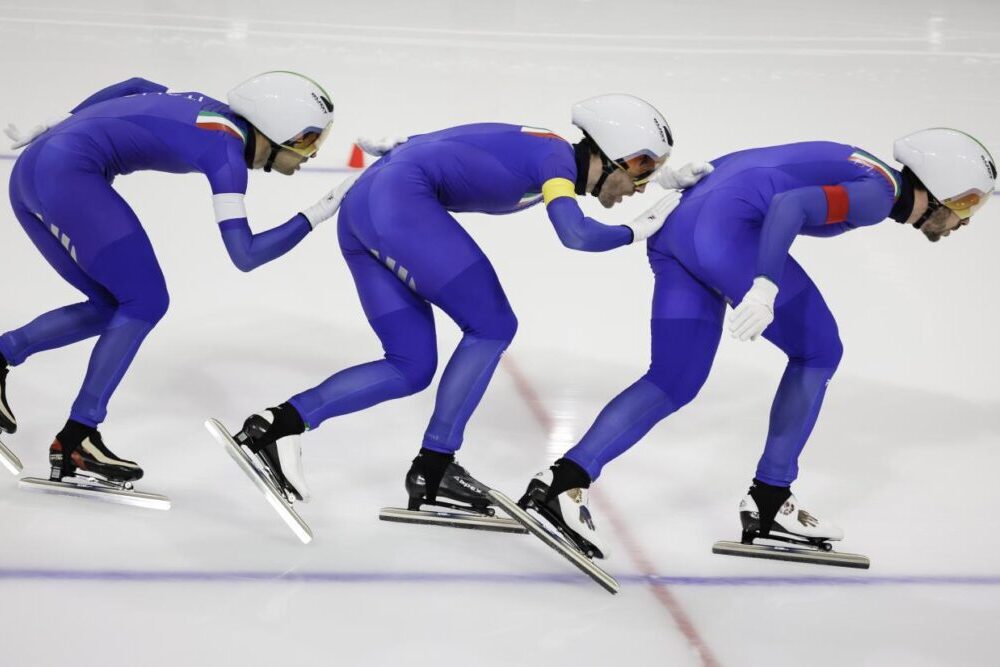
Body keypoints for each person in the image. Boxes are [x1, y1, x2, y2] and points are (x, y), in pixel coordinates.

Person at [514, 129, 996, 558]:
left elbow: (752, 165)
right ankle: (770, 499)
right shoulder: (876, 193)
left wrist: (676, 184)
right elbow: (789, 206)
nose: (967, 219)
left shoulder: (863, 165)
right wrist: (764, 284)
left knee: (672, 379)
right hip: (724, 236)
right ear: (940, 187)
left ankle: (562, 482)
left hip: (678, 232)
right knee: (819, 352)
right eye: (968, 202)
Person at [226, 94, 712, 517]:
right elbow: (576, 234)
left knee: (410, 366)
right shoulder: (556, 162)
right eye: (641, 169)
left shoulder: (546, 147)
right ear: (608, 155)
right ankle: (434, 467)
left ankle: (277, 426)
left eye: (650, 173)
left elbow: (464, 139)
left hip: (363, 211)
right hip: (397, 204)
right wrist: (639, 229)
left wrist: (666, 179)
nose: (640, 186)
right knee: (493, 325)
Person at [0, 72, 357, 486]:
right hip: (67, 178)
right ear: (276, 128)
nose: (311, 155)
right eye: (307, 140)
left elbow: (133, 85)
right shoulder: (226, 155)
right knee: (146, 301)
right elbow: (246, 255)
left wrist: (61, 121)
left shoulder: (204, 104)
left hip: (31, 172)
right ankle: (78, 438)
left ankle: (7, 358)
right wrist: (320, 211)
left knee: (113, 305)